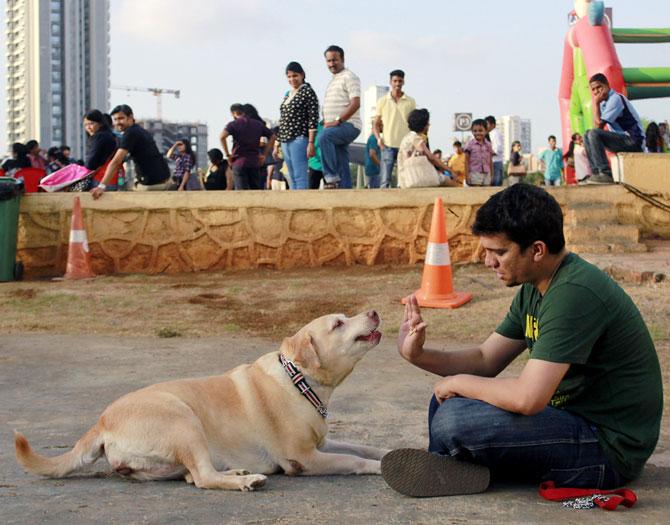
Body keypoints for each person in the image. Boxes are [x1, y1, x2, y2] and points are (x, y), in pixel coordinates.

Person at [381, 184, 662, 498]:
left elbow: (529, 397)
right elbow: (486, 359)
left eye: (499, 252)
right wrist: (417, 355)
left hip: (608, 447)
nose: (489, 262)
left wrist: (458, 382)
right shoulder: (536, 284)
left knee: (455, 419)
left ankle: (455, 463)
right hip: (572, 422)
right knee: (446, 402)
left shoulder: (574, 292)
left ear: (537, 250)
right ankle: (455, 464)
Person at [91, 105, 170, 199]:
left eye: (121, 118)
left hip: (152, 185)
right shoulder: (139, 130)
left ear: (130, 118)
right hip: (163, 179)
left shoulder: (130, 133)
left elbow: (116, 161)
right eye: (115, 119)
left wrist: (101, 186)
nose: (117, 122)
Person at [583, 73, 644, 184]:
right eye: (593, 90)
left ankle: (605, 173)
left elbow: (598, 126)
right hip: (623, 140)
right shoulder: (603, 103)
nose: (597, 92)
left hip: (634, 141)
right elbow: (596, 127)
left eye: (599, 87)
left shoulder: (615, 99)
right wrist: (598, 104)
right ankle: (596, 173)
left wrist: (595, 103)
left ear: (607, 85)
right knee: (587, 134)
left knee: (593, 133)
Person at [318, 45, 361, 189]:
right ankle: (345, 190)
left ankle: (330, 178)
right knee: (341, 160)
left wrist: (337, 121)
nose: (331, 64)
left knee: (324, 137)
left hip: (349, 125)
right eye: (328, 61)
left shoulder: (350, 77)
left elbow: (355, 103)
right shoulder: (333, 80)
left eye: (334, 60)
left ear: (342, 59)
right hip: (335, 125)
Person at [276, 62, 319, 190]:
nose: (292, 79)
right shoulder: (287, 94)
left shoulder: (308, 92)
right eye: (289, 77)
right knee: (291, 175)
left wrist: (311, 142)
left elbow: (313, 118)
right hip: (285, 139)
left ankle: (302, 205)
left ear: (302, 75)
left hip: (299, 138)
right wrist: (277, 141)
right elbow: (283, 118)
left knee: (300, 175)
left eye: (295, 75)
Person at [373, 70, 416, 188]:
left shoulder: (411, 101)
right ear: (390, 82)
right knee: (385, 179)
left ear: (404, 82)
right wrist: (378, 139)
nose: (397, 84)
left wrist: (414, 142)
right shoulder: (382, 101)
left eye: (400, 81)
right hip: (388, 144)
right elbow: (375, 124)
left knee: (405, 179)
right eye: (395, 81)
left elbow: (414, 124)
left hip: (406, 144)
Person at [397, 109, 459, 188]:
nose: (429, 125)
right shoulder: (415, 138)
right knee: (451, 183)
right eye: (427, 123)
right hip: (417, 177)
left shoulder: (407, 137)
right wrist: (450, 171)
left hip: (405, 179)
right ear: (423, 125)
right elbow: (431, 157)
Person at [220, 103, 275, 190]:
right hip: (254, 162)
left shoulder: (233, 124)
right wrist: (264, 154)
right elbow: (272, 136)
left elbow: (222, 137)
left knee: (242, 192)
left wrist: (227, 155)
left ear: (233, 113)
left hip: (239, 162)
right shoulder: (258, 124)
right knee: (255, 190)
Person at [82, 109, 120, 190]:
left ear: (100, 123)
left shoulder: (100, 137)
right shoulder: (111, 135)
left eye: (91, 123)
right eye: (85, 125)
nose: (88, 127)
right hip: (111, 178)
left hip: (99, 179)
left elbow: (91, 161)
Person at [463, 119, 493, 186]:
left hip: (487, 173)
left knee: (486, 192)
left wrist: (491, 175)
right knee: (476, 191)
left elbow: (490, 161)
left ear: (486, 131)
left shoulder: (488, 145)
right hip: (474, 173)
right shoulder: (470, 144)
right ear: (472, 132)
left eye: (480, 130)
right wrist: (467, 176)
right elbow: (466, 161)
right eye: (475, 131)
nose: (477, 133)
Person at [485, 116, 504, 186]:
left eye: (487, 124)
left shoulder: (495, 134)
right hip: (494, 162)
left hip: (495, 162)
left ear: (492, 125)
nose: (486, 126)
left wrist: (486, 154)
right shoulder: (491, 134)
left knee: (495, 185)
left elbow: (497, 149)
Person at [365, 120, 381, 188]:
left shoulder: (372, 138)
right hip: (374, 171)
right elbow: (372, 154)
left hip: (372, 171)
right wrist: (381, 165)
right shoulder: (374, 138)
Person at [308, 122, 324, 189]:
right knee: (311, 193)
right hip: (314, 165)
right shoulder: (314, 126)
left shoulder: (336, 126)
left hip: (330, 166)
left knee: (331, 194)